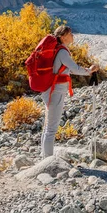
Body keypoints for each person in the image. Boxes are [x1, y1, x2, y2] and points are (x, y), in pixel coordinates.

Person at [40, 25, 98, 158]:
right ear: (63, 37)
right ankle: (48, 162)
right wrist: (89, 70)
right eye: (70, 34)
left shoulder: (58, 50)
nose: (72, 36)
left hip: (50, 89)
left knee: (48, 126)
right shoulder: (62, 52)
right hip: (56, 91)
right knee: (51, 129)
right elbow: (74, 68)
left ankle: (44, 158)